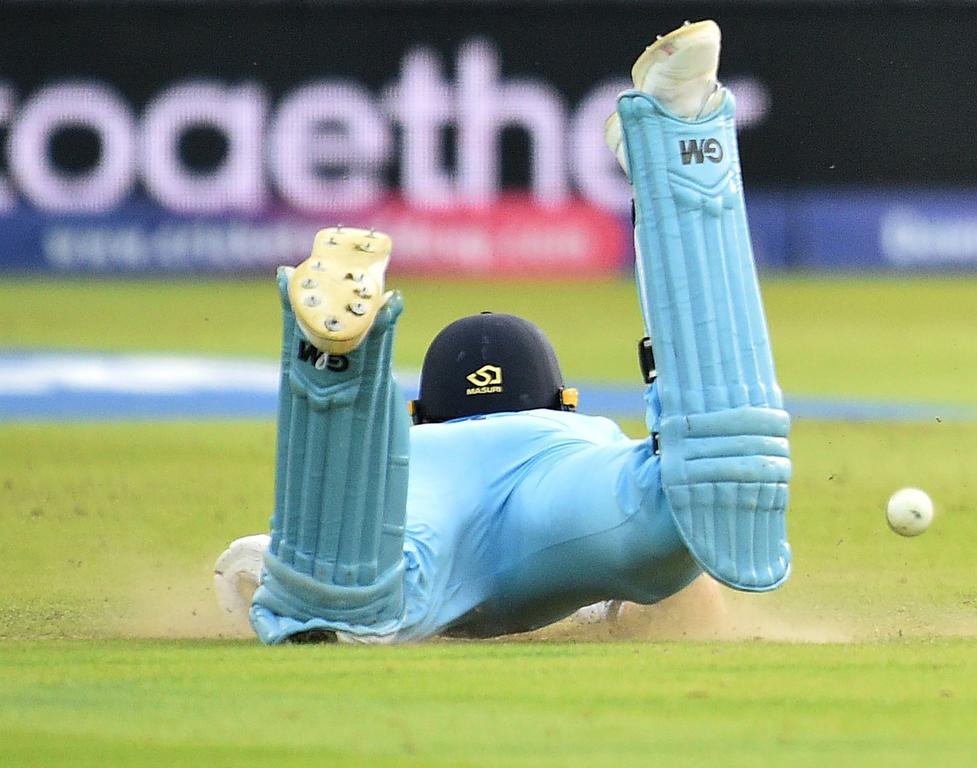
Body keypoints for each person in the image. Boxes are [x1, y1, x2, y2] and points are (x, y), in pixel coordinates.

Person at [214, 19, 792, 645]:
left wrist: (273, 563)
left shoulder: (415, 458)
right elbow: (692, 594)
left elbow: (242, 564)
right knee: (703, 492)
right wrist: (609, 589)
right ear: (564, 402)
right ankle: (680, 134)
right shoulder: (581, 436)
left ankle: (335, 370)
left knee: (338, 592)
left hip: (423, 495)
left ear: (419, 415)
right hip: (564, 480)